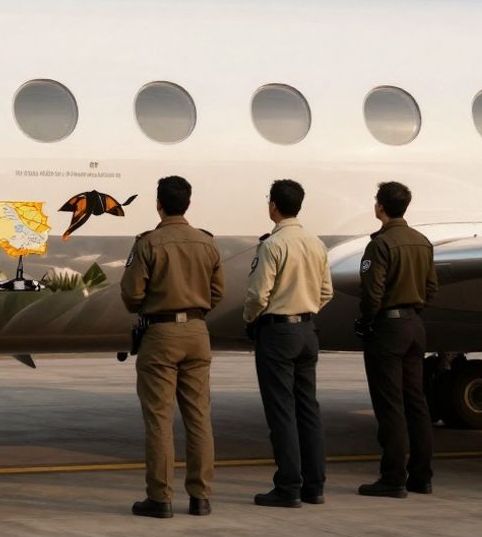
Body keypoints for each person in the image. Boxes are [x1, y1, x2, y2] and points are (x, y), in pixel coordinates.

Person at [121, 175, 224, 519]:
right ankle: (201, 497)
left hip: (161, 335)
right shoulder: (206, 242)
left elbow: (132, 294)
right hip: (198, 333)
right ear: (188, 204)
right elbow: (217, 292)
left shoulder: (149, 243)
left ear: (158, 204)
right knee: (199, 417)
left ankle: (160, 498)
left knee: (160, 419)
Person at [244, 179, 333, 508]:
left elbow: (257, 295)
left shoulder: (273, 245)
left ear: (273, 206)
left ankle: (288, 486)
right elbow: (327, 292)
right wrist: (305, 309)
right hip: (307, 331)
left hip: (278, 333)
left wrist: (251, 319)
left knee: (282, 412)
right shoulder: (316, 243)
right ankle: (315, 485)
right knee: (308, 409)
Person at [355, 181, 439, 498]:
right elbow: (431, 288)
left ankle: (392, 477)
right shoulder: (422, 242)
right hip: (415, 326)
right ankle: (422, 476)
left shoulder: (380, 245)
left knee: (390, 406)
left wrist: (366, 321)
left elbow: (372, 294)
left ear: (380, 207)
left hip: (388, 330)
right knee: (416, 403)